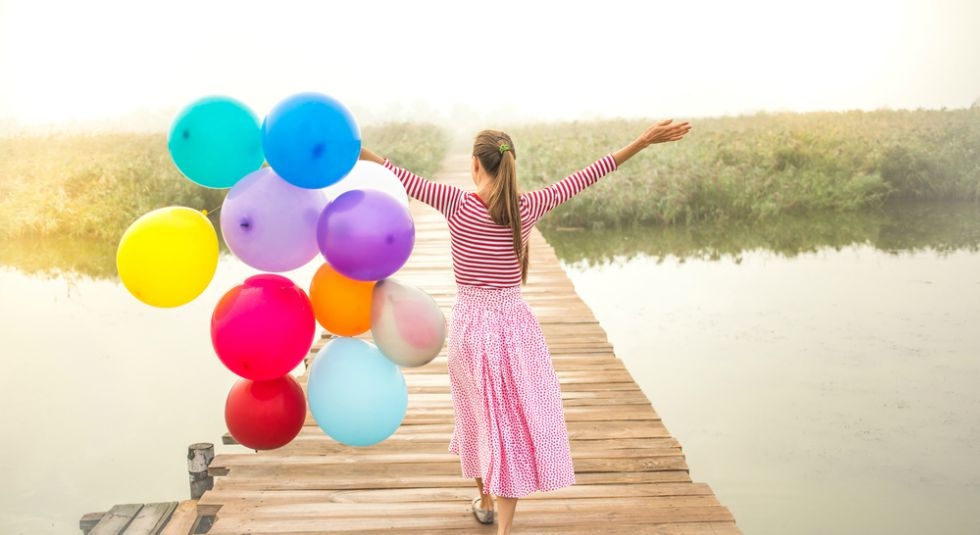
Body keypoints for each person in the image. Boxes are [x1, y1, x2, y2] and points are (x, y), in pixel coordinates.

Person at [358, 119, 692, 535]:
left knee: (478, 417)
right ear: (509, 164)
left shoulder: (455, 202)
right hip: (514, 329)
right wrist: (642, 141)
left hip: (469, 330)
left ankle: (489, 508)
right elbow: (591, 172)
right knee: (506, 425)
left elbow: (394, 171)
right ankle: (494, 513)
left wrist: (353, 149)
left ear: (475, 166)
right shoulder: (528, 205)